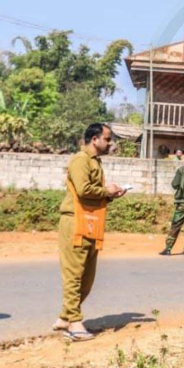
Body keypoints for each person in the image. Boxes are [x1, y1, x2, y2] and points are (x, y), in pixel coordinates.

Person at [54, 123, 126, 342]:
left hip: (90, 221)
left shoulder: (94, 162)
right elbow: (84, 189)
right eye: (107, 139)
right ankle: (75, 324)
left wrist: (110, 195)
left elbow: (93, 193)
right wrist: (106, 191)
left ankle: (66, 317)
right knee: (74, 274)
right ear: (95, 139)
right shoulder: (80, 160)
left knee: (87, 277)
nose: (110, 143)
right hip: (75, 221)